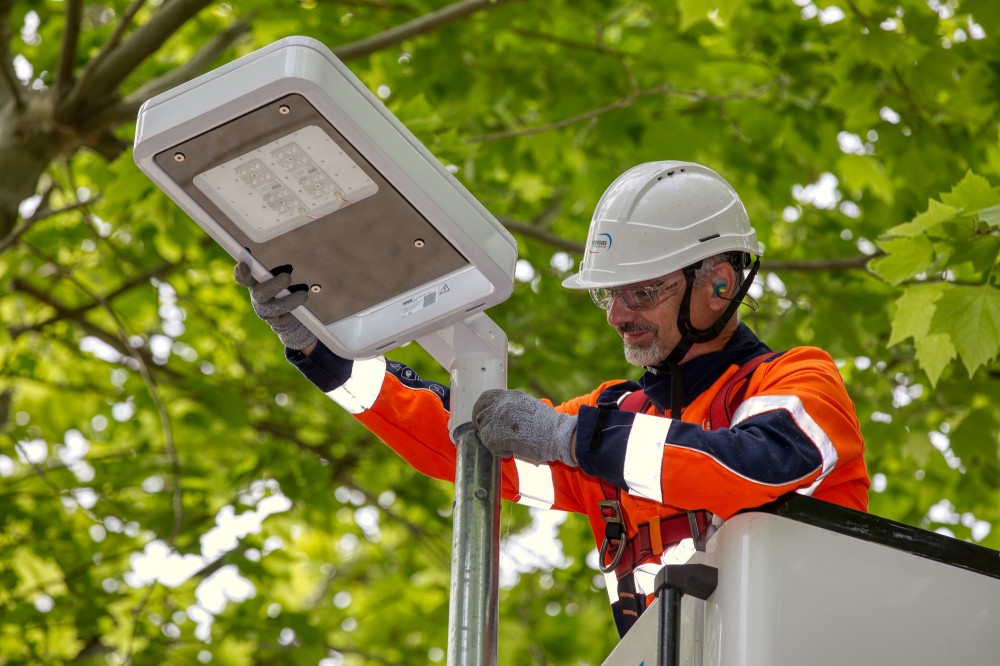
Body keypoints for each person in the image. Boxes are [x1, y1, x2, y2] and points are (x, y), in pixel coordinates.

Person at [235, 160, 869, 637]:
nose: (619, 315)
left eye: (641, 292)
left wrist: (576, 439)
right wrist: (321, 347)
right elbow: (457, 443)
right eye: (609, 294)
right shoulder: (616, 419)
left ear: (720, 284)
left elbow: (756, 465)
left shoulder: (793, 382)